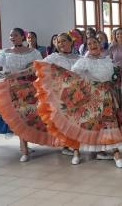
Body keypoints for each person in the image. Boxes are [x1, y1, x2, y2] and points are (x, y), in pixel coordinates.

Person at [34, 36, 122, 168]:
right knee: (84, 124)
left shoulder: (107, 60)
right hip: (90, 97)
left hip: (108, 98)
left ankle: (115, 153)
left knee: (108, 125)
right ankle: (76, 152)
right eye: (89, 44)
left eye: (94, 43)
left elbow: (113, 76)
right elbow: (72, 76)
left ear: (100, 45)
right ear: (87, 48)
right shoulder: (83, 61)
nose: (92, 45)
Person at [0, 28, 49, 163]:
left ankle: (31, 140)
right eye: (11, 35)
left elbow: (38, 67)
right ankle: (24, 148)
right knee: (18, 117)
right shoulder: (4, 52)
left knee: (31, 116)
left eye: (15, 35)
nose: (12, 37)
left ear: (22, 37)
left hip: (30, 88)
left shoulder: (33, 52)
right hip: (11, 88)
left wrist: (20, 74)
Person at [37, 32, 81, 161]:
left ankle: (76, 148)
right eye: (58, 41)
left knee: (76, 121)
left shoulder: (79, 57)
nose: (61, 44)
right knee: (65, 121)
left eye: (63, 41)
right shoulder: (53, 57)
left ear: (71, 42)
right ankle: (69, 146)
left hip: (77, 94)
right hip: (60, 94)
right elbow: (38, 66)